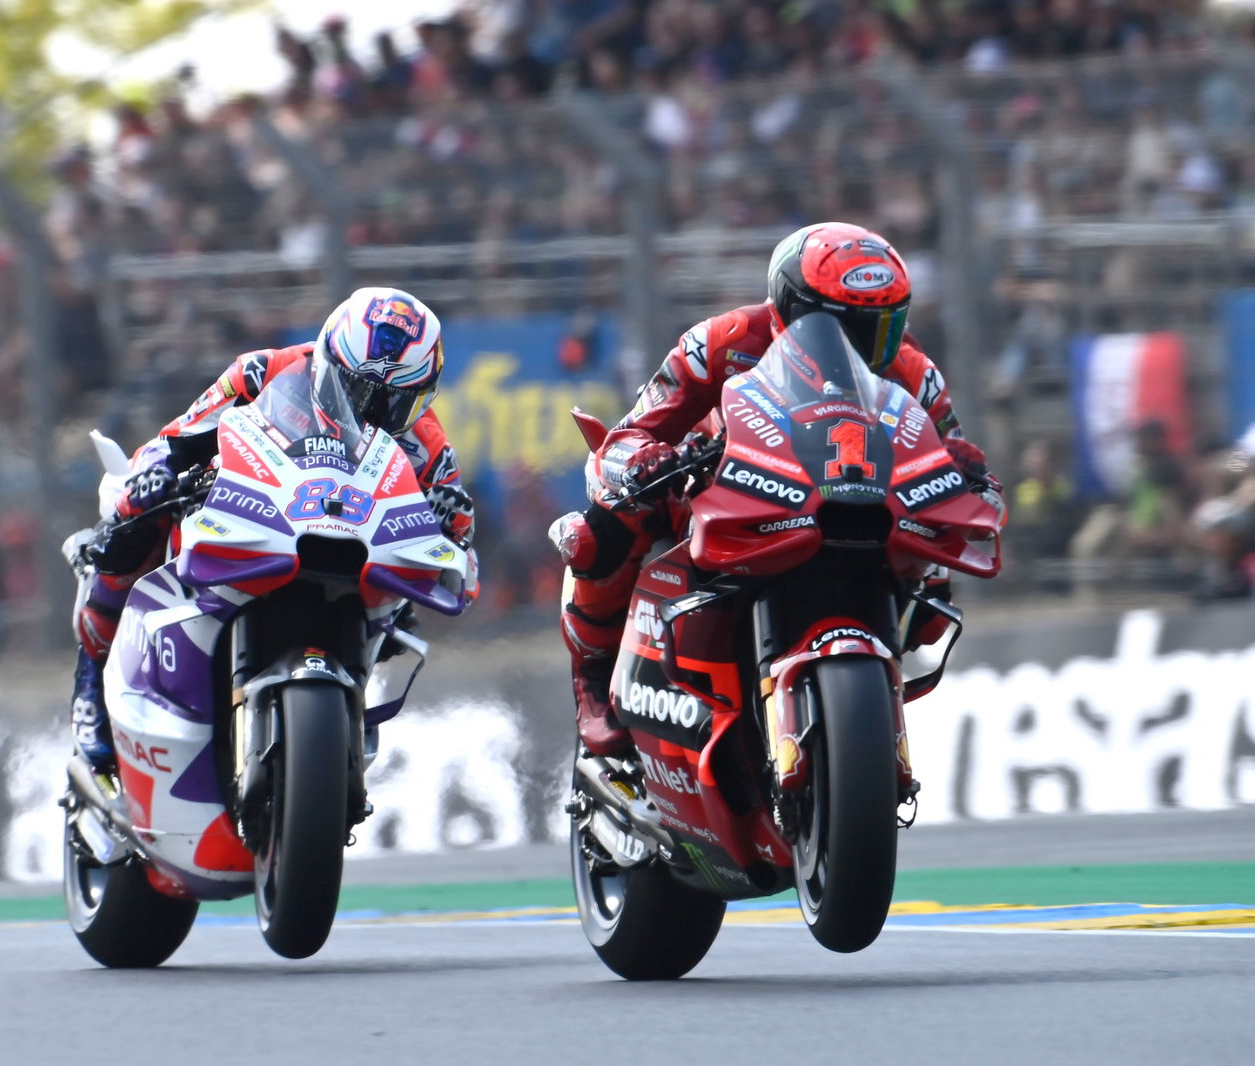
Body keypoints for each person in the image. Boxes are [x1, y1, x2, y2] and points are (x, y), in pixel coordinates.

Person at [554, 222, 1001, 756]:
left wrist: (968, 473)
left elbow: (957, 458)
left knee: (934, 590)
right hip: (727, 492)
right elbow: (628, 435)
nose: (866, 345)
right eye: (845, 326)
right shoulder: (721, 341)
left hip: (856, 504)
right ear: (792, 307)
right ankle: (593, 677)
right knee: (604, 524)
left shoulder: (913, 370)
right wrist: (646, 459)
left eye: (883, 326)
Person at [70, 287, 475, 771]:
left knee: (403, 616)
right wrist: (154, 476)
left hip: (352, 553)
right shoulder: (261, 372)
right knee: (135, 525)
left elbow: (462, 551)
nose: (370, 412)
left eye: (395, 403)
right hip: (247, 518)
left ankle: (341, 724)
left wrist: (448, 521)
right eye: (355, 390)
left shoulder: (428, 443)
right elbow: (174, 439)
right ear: (327, 359)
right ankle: (91, 682)